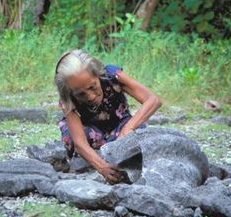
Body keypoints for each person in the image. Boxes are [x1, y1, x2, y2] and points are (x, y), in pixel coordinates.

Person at [54, 49, 162, 184]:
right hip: (89, 131)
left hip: (120, 125)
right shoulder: (67, 96)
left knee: (142, 134)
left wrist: (129, 128)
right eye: (81, 94)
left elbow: (153, 100)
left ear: (97, 74)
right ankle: (98, 157)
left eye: (92, 87)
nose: (91, 97)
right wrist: (102, 167)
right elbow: (80, 142)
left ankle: (114, 152)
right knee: (72, 138)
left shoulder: (111, 76)